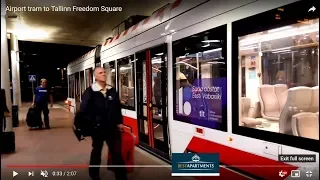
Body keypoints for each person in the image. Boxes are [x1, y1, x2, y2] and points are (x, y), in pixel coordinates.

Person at [79, 67, 127, 180]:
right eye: (100, 73)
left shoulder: (112, 90)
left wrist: (119, 122)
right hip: (98, 129)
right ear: (95, 76)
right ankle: (94, 174)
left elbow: (117, 108)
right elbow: (84, 110)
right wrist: (89, 126)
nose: (104, 74)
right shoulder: (90, 92)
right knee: (97, 152)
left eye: (104, 72)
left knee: (116, 153)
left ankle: (121, 177)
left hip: (112, 128)